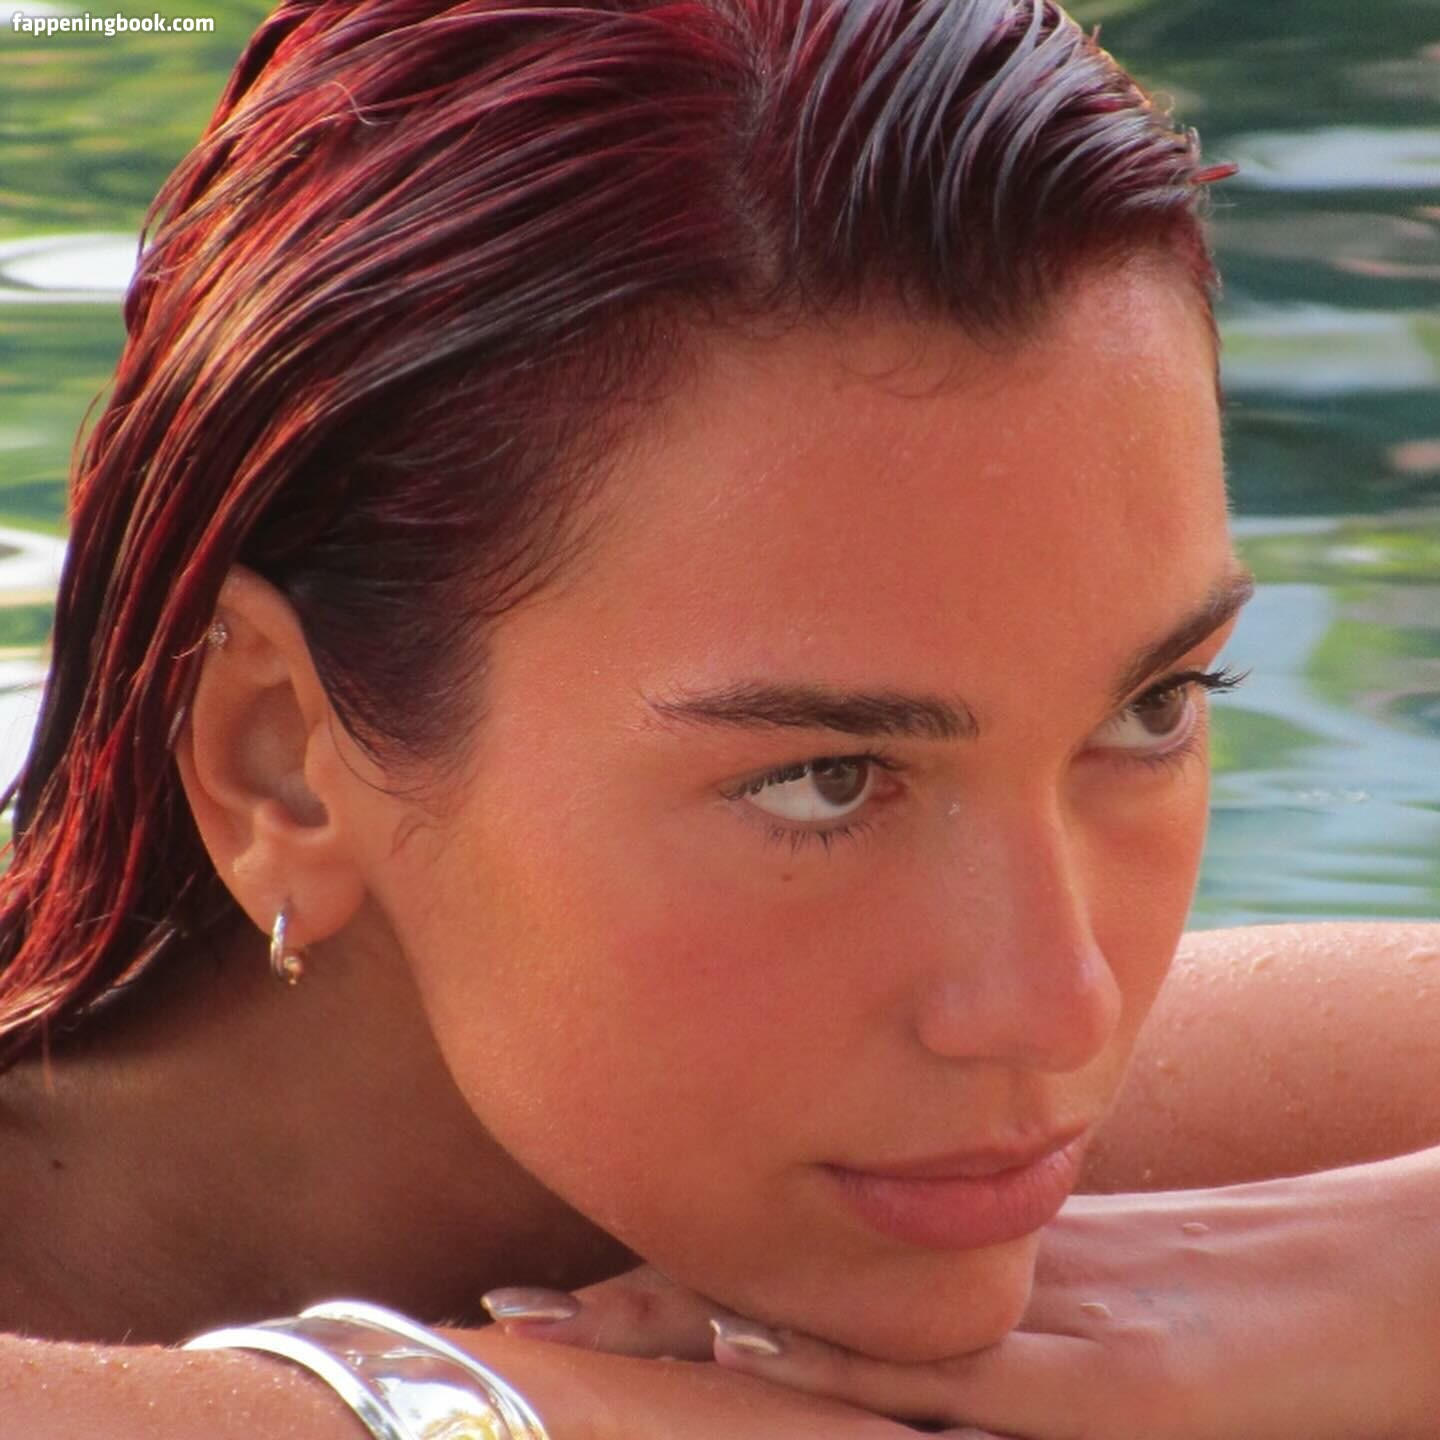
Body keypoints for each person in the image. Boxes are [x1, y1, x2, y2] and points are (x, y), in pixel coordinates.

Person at [1, 0, 1437, 1435]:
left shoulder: (960, 1144)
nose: (1062, 1010)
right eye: (825, 781)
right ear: (280, 766)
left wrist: (1365, 1287)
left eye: (1153, 708)